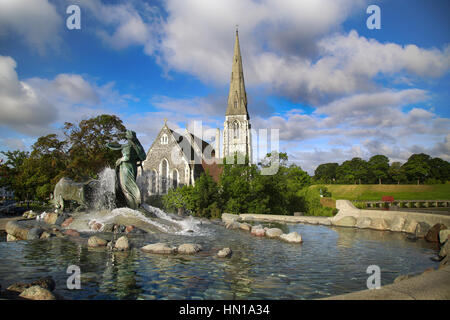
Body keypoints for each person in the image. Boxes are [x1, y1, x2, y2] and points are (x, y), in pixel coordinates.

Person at [107, 130, 146, 209]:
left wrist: (120, 160)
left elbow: (127, 157)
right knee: (130, 186)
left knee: (126, 188)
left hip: (126, 167)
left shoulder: (128, 146)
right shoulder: (137, 147)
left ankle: (132, 207)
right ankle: (134, 204)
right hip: (133, 167)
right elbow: (143, 157)